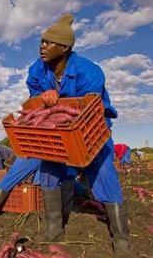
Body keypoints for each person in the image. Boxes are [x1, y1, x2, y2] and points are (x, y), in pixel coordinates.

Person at [23, 13, 131, 256]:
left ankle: (122, 240)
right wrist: (42, 98)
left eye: (49, 42)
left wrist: (57, 99)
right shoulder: (36, 70)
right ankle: (53, 227)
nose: (42, 46)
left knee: (104, 175)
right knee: (49, 169)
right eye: (41, 41)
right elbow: (34, 95)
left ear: (65, 47)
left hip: (91, 129)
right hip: (56, 132)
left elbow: (85, 108)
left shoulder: (90, 72)